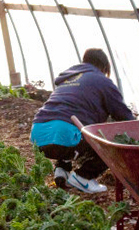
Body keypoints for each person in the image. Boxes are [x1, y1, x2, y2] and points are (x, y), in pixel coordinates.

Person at [30, 48, 133, 194]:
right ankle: (83, 177)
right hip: (64, 135)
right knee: (109, 141)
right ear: (104, 67)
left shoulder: (69, 78)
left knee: (70, 129)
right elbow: (124, 116)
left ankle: (62, 171)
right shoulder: (103, 81)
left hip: (38, 135)